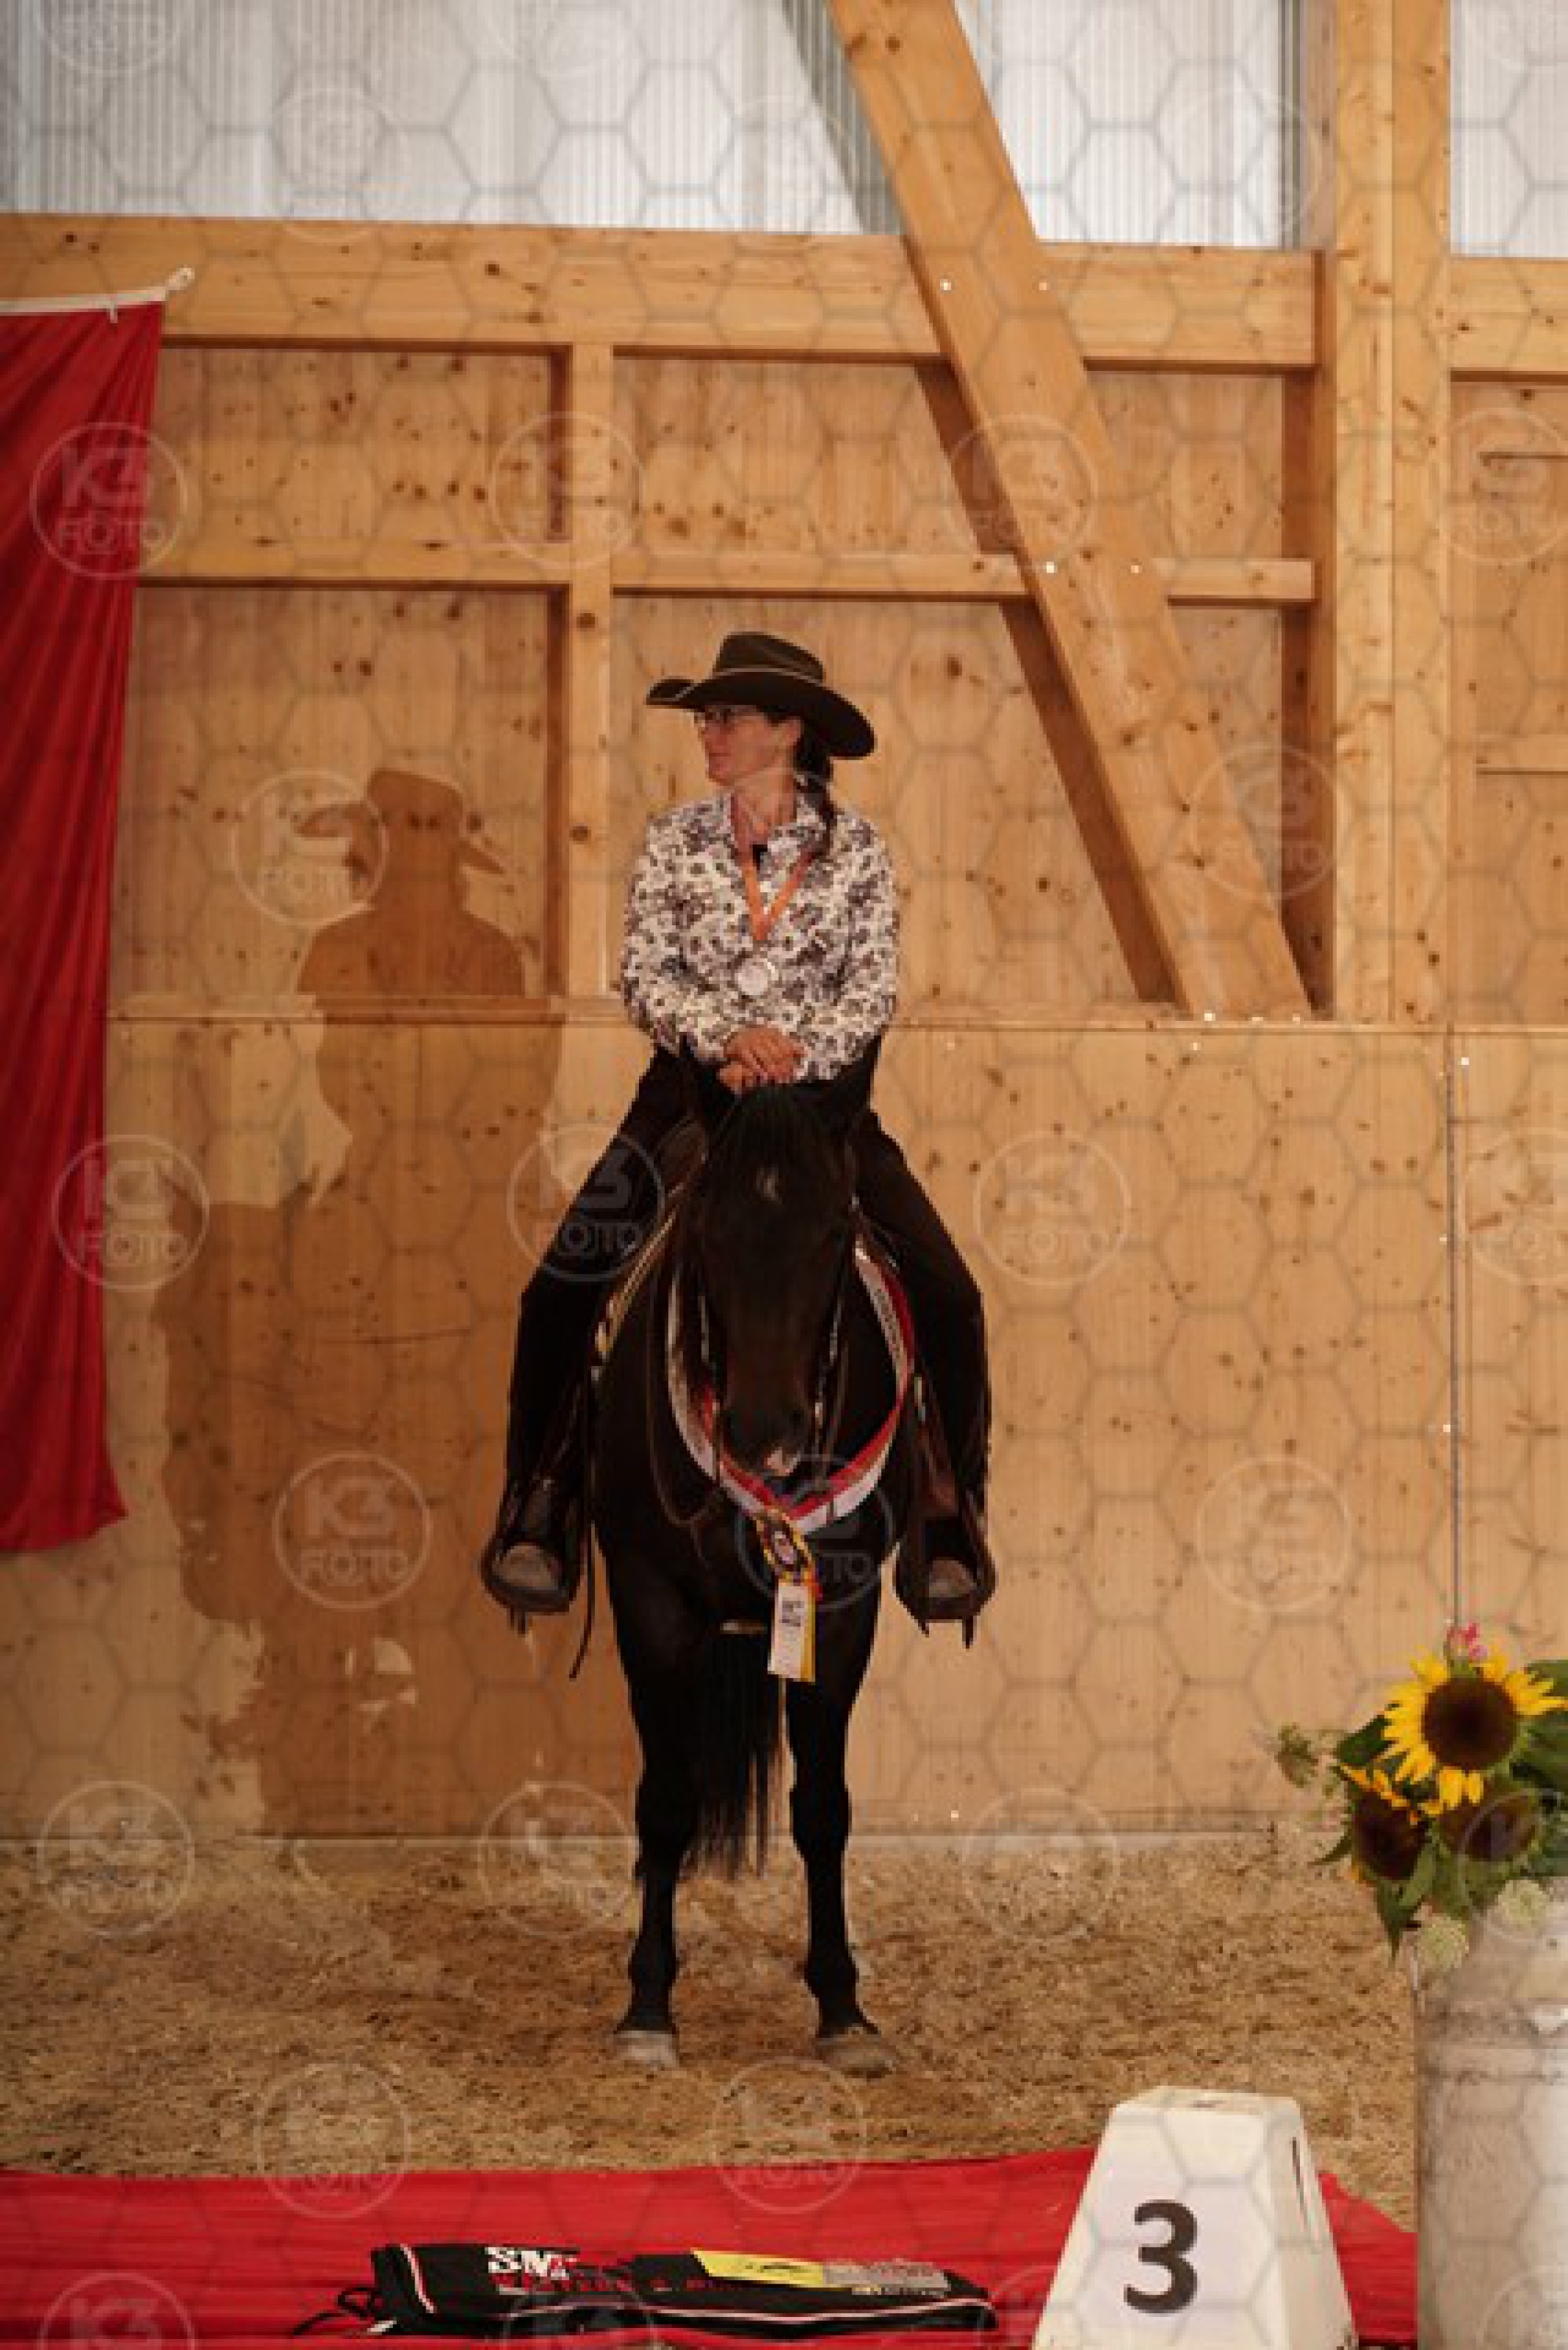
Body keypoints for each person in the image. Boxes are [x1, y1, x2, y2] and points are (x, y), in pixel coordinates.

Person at [479, 631, 995, 1624]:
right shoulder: (674, 840)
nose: (708, 733)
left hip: (820, 1110)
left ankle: (948, 1510)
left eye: (727, 717)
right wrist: (725, 1041)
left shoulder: (858, 853)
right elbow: (645, 973)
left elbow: (871, 989)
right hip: (690, 1098)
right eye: (706, 718)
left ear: (787, 730)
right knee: (559, 1287)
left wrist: (791, 1056)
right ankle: (540, 1503)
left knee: (949, 1291)